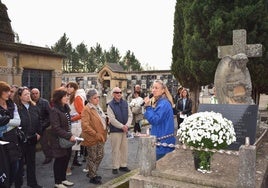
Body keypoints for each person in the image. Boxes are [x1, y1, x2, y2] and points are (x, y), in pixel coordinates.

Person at [13, 86, 43, 188]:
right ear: (19, 96)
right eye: (25, 94)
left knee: (31, 163)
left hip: (32, 139)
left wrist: (39, 133)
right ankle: (18, 184)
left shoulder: (34, 107)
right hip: (21, 140)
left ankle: (32, 183)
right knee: (20, 164)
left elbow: (39, 121)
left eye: (28, 94)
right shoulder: (16, 108)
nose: (28, 96)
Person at [143, 79, 176, 160]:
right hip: (161, 141)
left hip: (162, 143)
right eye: (153, 87)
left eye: (156, 88)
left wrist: (148, 107)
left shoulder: (164, 104)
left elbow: (155, 119)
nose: (153, 90)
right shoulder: (161, 102)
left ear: (163, 90)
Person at [49, 89, 76, 188]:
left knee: (66, 159)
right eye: (65, 96)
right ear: (59, 98)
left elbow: (68, 124)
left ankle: (63, 179)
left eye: (67, 96)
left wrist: (70, 135)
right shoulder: (54, 110)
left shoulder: (65, 108)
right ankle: (58, 182)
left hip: (67, 139)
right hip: (59, 140)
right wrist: (69, 136)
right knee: (59, 160)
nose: (67, 98)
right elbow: (56, 128)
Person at [81, 89, 108, 184]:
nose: (97, 99)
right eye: (95, 98)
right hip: (92, 137)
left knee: (100, 155)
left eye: (98, 97)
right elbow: (85, 126)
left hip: (100, 136)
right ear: (89, 99)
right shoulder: (86, 109)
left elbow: (102, 119)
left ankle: (92, 172)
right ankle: (92, 176)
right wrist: (95, 134)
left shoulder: (97, 107)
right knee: (93, 157)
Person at [107, 87, 133, 174]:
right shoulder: (110, 105)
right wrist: (122, 126)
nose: (119, 94)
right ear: (113, 94)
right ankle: (115, 166)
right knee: (116, 149)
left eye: (120, 92)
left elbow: (130, 115)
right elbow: (112, 119)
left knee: (124, 148)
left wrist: (127, 125)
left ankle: (123, 165)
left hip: (124, 130)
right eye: (116, 92)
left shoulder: (125, 103)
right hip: (115, 130)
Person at [0, 81, 21, 187]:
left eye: (10, 91)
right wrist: (11, 123)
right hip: (1, 145)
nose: (9, 93)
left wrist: (4, 123)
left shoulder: (12, 105)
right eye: (6, 91)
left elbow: (18, 122)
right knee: (3, 172)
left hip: (13, 141)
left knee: (15, 168)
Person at [66, 82, 86, 175]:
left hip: (75, 126)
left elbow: (82, 113)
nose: (68, 88)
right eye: (68, 87)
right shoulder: (71, 96)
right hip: (73, 125)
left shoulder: (77, 97)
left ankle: (68, 168)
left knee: (72, 149)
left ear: (74, 88)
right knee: (72, 148)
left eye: (70, 87)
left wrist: (71, 118)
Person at [30, 88, 53, 165]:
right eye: (33, 93)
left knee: (44, 143)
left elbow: (50, 115)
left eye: (36, 93)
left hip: (42, 126)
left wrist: (44, 125)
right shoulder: (29, 102)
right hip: (32, 126)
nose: (35, 95)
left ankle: (49, 157)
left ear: (39, 94)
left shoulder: (44, 102)